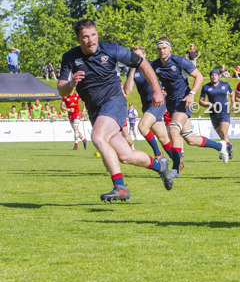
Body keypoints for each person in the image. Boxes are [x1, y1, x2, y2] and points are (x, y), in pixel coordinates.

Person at [58, 19, 172, 202]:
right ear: (78, 39)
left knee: (97, 137)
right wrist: (71, 83)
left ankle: (120, 187)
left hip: (114, 102)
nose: (91, 40)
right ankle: (161, 166)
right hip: (95, 110)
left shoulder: (111, 50)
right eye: (85, 37)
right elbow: (61, 88)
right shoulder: (70, 57)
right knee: (126, 156)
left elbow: (143, 63)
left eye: (93, 34)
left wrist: (157, 91)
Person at [150, 35, 229, 181]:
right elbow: (153, 80)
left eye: (164, 48)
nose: (162, 51)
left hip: (184, 100)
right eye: (159, 48)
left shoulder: (179, 60)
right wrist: (159, 90)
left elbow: (198, 76)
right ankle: (220, 146)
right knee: (191, 139)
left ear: (169, 48)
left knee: (173, 129)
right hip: (171, 102)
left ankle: (176, 168)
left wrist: (192, 93)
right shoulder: (155, 65)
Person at [123, 46, 174, 160]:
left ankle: (158, 153)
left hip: (158, 103)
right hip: (147, 106)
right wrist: (131, 70)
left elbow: (168, 79)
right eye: (135, 56)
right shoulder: (133, 71)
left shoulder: (153, 66)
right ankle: (178, 163)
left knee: (142, 126)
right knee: (163, 138)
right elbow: (127, 90)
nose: (138, 58)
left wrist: (166, 90)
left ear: (145, 55)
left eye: (140, 55)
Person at [199, 69, 235, 160]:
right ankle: (229, 146)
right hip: (213, 112)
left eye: (215, 75)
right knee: (220, 134)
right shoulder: (206, 87)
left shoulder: (225, 84)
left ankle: (225, 151)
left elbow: (232, 93)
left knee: (223, 131)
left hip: (224, 110)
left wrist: (233, 103)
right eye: (212, 75)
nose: (213, 76)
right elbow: (201, 101)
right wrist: (209, 104)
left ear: (218, 76)